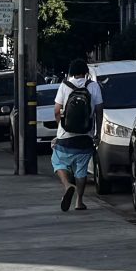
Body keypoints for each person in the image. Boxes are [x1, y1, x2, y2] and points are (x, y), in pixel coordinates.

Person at [54, 64, 99, 211]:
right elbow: (100, 110)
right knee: (81, 170)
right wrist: (96, 132)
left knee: (58, 162)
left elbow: (57, 110)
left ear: (71, 73)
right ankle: (79, 201)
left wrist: (62, 125)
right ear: (85, 73)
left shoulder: (64, 85)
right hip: (85, 136)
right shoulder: (93, 86)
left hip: (65, 136)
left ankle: (67, 185)